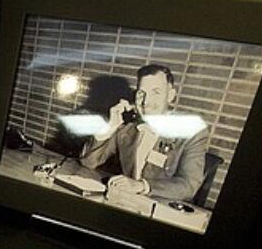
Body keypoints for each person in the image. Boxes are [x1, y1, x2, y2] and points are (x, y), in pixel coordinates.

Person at [78, 64, 210, 203]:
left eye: (156, 92)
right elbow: (88, 162)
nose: (146, 102)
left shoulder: (191, 131)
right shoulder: (127, 127)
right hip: (122, 202)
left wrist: (142, 186)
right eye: (141, 93)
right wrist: (110, 127)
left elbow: (188, 186)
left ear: (170, 96)